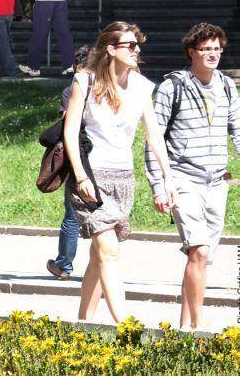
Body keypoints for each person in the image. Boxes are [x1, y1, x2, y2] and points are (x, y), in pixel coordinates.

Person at [64, 22, 176, 323]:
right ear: (111, 49)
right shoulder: (84, 81)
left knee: (98, 256)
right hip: (91, 177)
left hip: (123, 178)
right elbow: (70, 132)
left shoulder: (141, 87)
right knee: (109, 250)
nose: (136, 50)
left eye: (138, 45)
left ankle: (82, 323)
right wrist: (80, 175)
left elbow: (154, 136)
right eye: (130, 45)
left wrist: (167, 178)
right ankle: (126, 326)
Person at [145, 23, 239, 331]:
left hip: (217, 183)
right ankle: (199, 329)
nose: (213, 54)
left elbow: (238, 130)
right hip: (183, 180)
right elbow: (154, 138)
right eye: (206, 49)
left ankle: (183, 328)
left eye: (217, 49)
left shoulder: (227, 86)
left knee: (200, 258)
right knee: (198, 249)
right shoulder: (173, 86)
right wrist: (160, 186)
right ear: (191, 52)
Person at [47, 45, 90, 280]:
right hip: (108, 158)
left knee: (72, 215)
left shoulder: (72, 89)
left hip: (81, 157)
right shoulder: (107, 87)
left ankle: (64, 264)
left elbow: (67, 125)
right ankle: (104, 263)